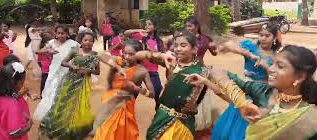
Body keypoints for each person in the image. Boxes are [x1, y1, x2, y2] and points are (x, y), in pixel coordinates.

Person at [185, 45, 317, 139]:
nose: (270, 69)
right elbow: (216, 71)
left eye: (280, 66)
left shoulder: (309, 116)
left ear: (299, 77)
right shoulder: (262, 91)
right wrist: (242, 102)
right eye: (273, 64)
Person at [133, 31, 211, 140]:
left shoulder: (202, 72)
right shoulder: (170, 62)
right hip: (162, 118)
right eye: (176, 45)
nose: (178, 49)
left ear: (194, 49)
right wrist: (161, 55)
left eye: (183, 45)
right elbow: (138, 55)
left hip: (182, 124)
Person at [210, 24, 281, 140]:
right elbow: (227, 46)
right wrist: (249, 54)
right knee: (233, 124)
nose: (263, 38)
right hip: (243, 92)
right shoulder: (251, 47)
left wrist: (265, 66)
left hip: (261, 95)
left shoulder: (277, 57)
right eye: (261, 35)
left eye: (267, 36)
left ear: (274, 38)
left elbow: (277, 77)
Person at [89, 39, 155, 140]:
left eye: (131, 54)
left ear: (139, 55)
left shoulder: (142, 71)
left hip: (124, 104)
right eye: (125, 53)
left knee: (121, 130)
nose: (127, 56)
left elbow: (152, 94)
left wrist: (136, 88)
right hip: (109, 101)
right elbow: (101, 55)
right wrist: (118, 68)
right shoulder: (119, 62)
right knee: (102, 128)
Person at [40, 32, 99, 139]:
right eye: (86, 40)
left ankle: (73, 126)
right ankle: (59, 125)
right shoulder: (74, 50)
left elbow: (97, 71)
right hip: (70, 80)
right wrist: (71, 65)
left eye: (91, 41)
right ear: (81, 41)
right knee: (64, 102)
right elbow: (63, 62)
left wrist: (88, 70)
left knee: (78, 103)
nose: (88, 42)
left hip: (83, 83)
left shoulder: (95, 55)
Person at [33, 24, 79, 121]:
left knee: (65, 92)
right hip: (54, 71)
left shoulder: (73, 44)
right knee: (52, 90)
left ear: (67, 34)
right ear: (56, 34)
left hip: (67, 71)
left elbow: (80, 55)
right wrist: (48, 51)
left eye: (63, 33)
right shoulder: (51, 42)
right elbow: (38, 51)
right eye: (59, 33)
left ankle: (64, 114)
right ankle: (51, 113)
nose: (61, 35)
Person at [125, 19, 165, 110]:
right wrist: (138, 30)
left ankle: (158, 109)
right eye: (146, 24)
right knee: (131, 93)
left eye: (149, 24)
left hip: (152, 70)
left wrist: (151, 51)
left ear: (155, 27)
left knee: (157, 91)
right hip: (138, 69)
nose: (147, 26)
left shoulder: (159, 42)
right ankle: (127, 112)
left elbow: (162, 57)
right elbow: (126, 33)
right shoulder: (140, 36)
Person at [0, 62, 32, 140]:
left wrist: (20, 113)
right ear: (13, 83)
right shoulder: (11, 104)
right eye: (21, 83)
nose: (22, 86)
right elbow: (15, 133)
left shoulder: (0, 95)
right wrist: (28, 127)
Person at [35, 32, 54, 98]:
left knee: (44, 82)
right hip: (47, 69)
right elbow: (39, 60)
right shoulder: (44, 49)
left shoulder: (42, 49)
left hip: (46, 68)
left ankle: (42, 94)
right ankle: (43, 95)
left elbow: (39, 61)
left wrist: (42, 66)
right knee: (46, 82)